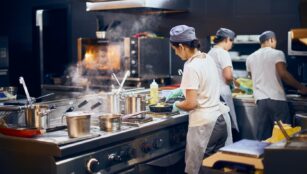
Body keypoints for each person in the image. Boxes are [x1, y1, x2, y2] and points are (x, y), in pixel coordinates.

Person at [169, 25, 232, 174]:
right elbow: (205, 85)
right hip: (220, 120)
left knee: (199, 170)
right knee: (217, 168)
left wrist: (176, 105)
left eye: (175, 50)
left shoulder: (191, 66)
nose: (176, 54)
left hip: (205, 127)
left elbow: (191, 103)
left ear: (181, 47)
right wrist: (183, 90)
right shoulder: (207, 57)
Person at [246, 31, 307, 140]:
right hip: (277, 100)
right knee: (283, 136)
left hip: (260, 101)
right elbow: (283, 74)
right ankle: (281, 157)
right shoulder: (277, 53)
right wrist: (302, 87)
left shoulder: (250, 57)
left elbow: (251, 77)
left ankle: (264, 157)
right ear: (271, 40)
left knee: (263, 138)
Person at [208, 28, 239, 133]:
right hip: (223, 95)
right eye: (231, 41)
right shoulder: (223, 53)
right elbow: (228, 76)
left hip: (213, 94)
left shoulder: (210, 52)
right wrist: (235, 85)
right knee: (228, 125)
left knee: (219, 126)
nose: (231, 45)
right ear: (226, 39)